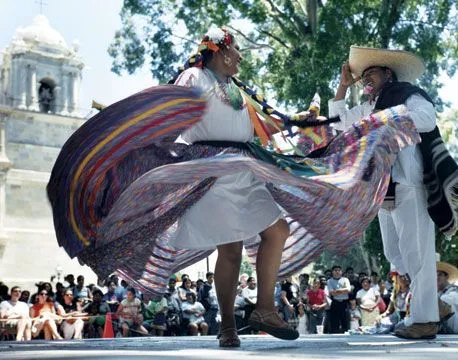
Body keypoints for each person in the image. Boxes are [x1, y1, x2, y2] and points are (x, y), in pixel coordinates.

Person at [47, 27, 425, 348]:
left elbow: (260, 129)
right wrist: (133, 134)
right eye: (236, 51)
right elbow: (167, 114)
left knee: (272, 231)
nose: (241, 58)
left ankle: (259, 310)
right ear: (221, 51)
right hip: (216, 167)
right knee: (230, 249)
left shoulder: (236, 89)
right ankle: (232, 324)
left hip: (244, 165)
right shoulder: (194, 79)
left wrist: (303, 122)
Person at [328, 45, 450, 339]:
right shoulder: (369, 108)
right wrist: (343, 86)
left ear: (388, 74)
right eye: (364, 75)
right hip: (382, 188)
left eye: (372, 73)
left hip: (410, 182)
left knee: (416, 252)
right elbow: (338, 123)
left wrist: (386, 119)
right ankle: (434, 304)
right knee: (393, 252)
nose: (366, 79)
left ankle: (425, 320)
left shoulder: (407, 94)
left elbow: (427, 118)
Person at [327, 265, 351, 333]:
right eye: (335, 270)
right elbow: (332, 293)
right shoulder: (329, 281)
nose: (337, 272)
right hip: (335, 303)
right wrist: (343, 290)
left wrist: (337, 290)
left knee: (345, 320)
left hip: (345, 303)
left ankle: (346, 334)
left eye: (338, 270)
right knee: (334, 321)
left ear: (341, 272)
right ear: (332, 272)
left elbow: (348, 289)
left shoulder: (345, 279)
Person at [436, 262, 458, 334]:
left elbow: (453, 298)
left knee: (445, 300)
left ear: (446, 277)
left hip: (454, 328)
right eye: (435, 275)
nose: (437, 277)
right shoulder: (438, 292)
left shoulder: (454, 289)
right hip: (444, 328)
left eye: (440, 275)